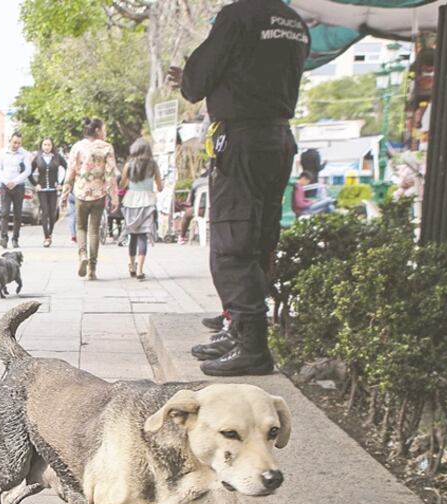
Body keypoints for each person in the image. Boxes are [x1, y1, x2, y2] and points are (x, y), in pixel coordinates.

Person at [170, 0, 310, 376]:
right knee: (261, 238)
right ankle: (238, 331)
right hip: (278, 138)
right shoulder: (294, 21)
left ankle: (251, 343)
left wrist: (186, 75)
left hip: (243, 139)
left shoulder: (239, 16)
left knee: (232, 240)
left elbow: (196, 82)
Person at [61, 118, 118, 280]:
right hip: (99, 194)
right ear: (98, 130)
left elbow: (70, 172)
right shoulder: (107, 148)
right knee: (94, 230)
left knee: (81, 228)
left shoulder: (77, 147)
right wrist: (114, 197)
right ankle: (92, 269)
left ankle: (82, 255)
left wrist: (64, 195)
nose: (105, 132)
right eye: (104, 129)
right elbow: (110, 175)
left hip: (80, 193)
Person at [120, 138, 163, 281]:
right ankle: (140, 270)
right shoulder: (154, 166)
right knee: (143, 236)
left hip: (131, 201)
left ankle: (131, 266)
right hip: (148, 201)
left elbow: (122, 185)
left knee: (132, 235)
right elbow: (160, 186)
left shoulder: (128, 166)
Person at [30, 138, 67, 247]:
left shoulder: (57, 157)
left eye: (49, 145)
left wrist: (62, 183)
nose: (47, 147)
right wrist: (35, 184)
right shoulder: (37, 158)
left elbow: (67, 168)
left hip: (53, 189)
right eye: (45, 144)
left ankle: (50, 234)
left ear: (52, 146)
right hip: (42, 190)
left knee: (52, 214)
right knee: (44, 212)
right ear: (41, 146)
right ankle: (46, 237)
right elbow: (29, 173)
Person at [0, 132, 31, 249]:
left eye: (19, 143)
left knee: (17, 214)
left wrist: (15, 182)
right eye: (15, 142)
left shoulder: (24, 153)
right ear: (10, 140)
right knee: (4, 213)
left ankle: (15, 239)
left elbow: (27, 171)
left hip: (19, 186)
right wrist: (7, 182)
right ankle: (3, 238)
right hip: (5, 186)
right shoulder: (2, 153)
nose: (16, 145)